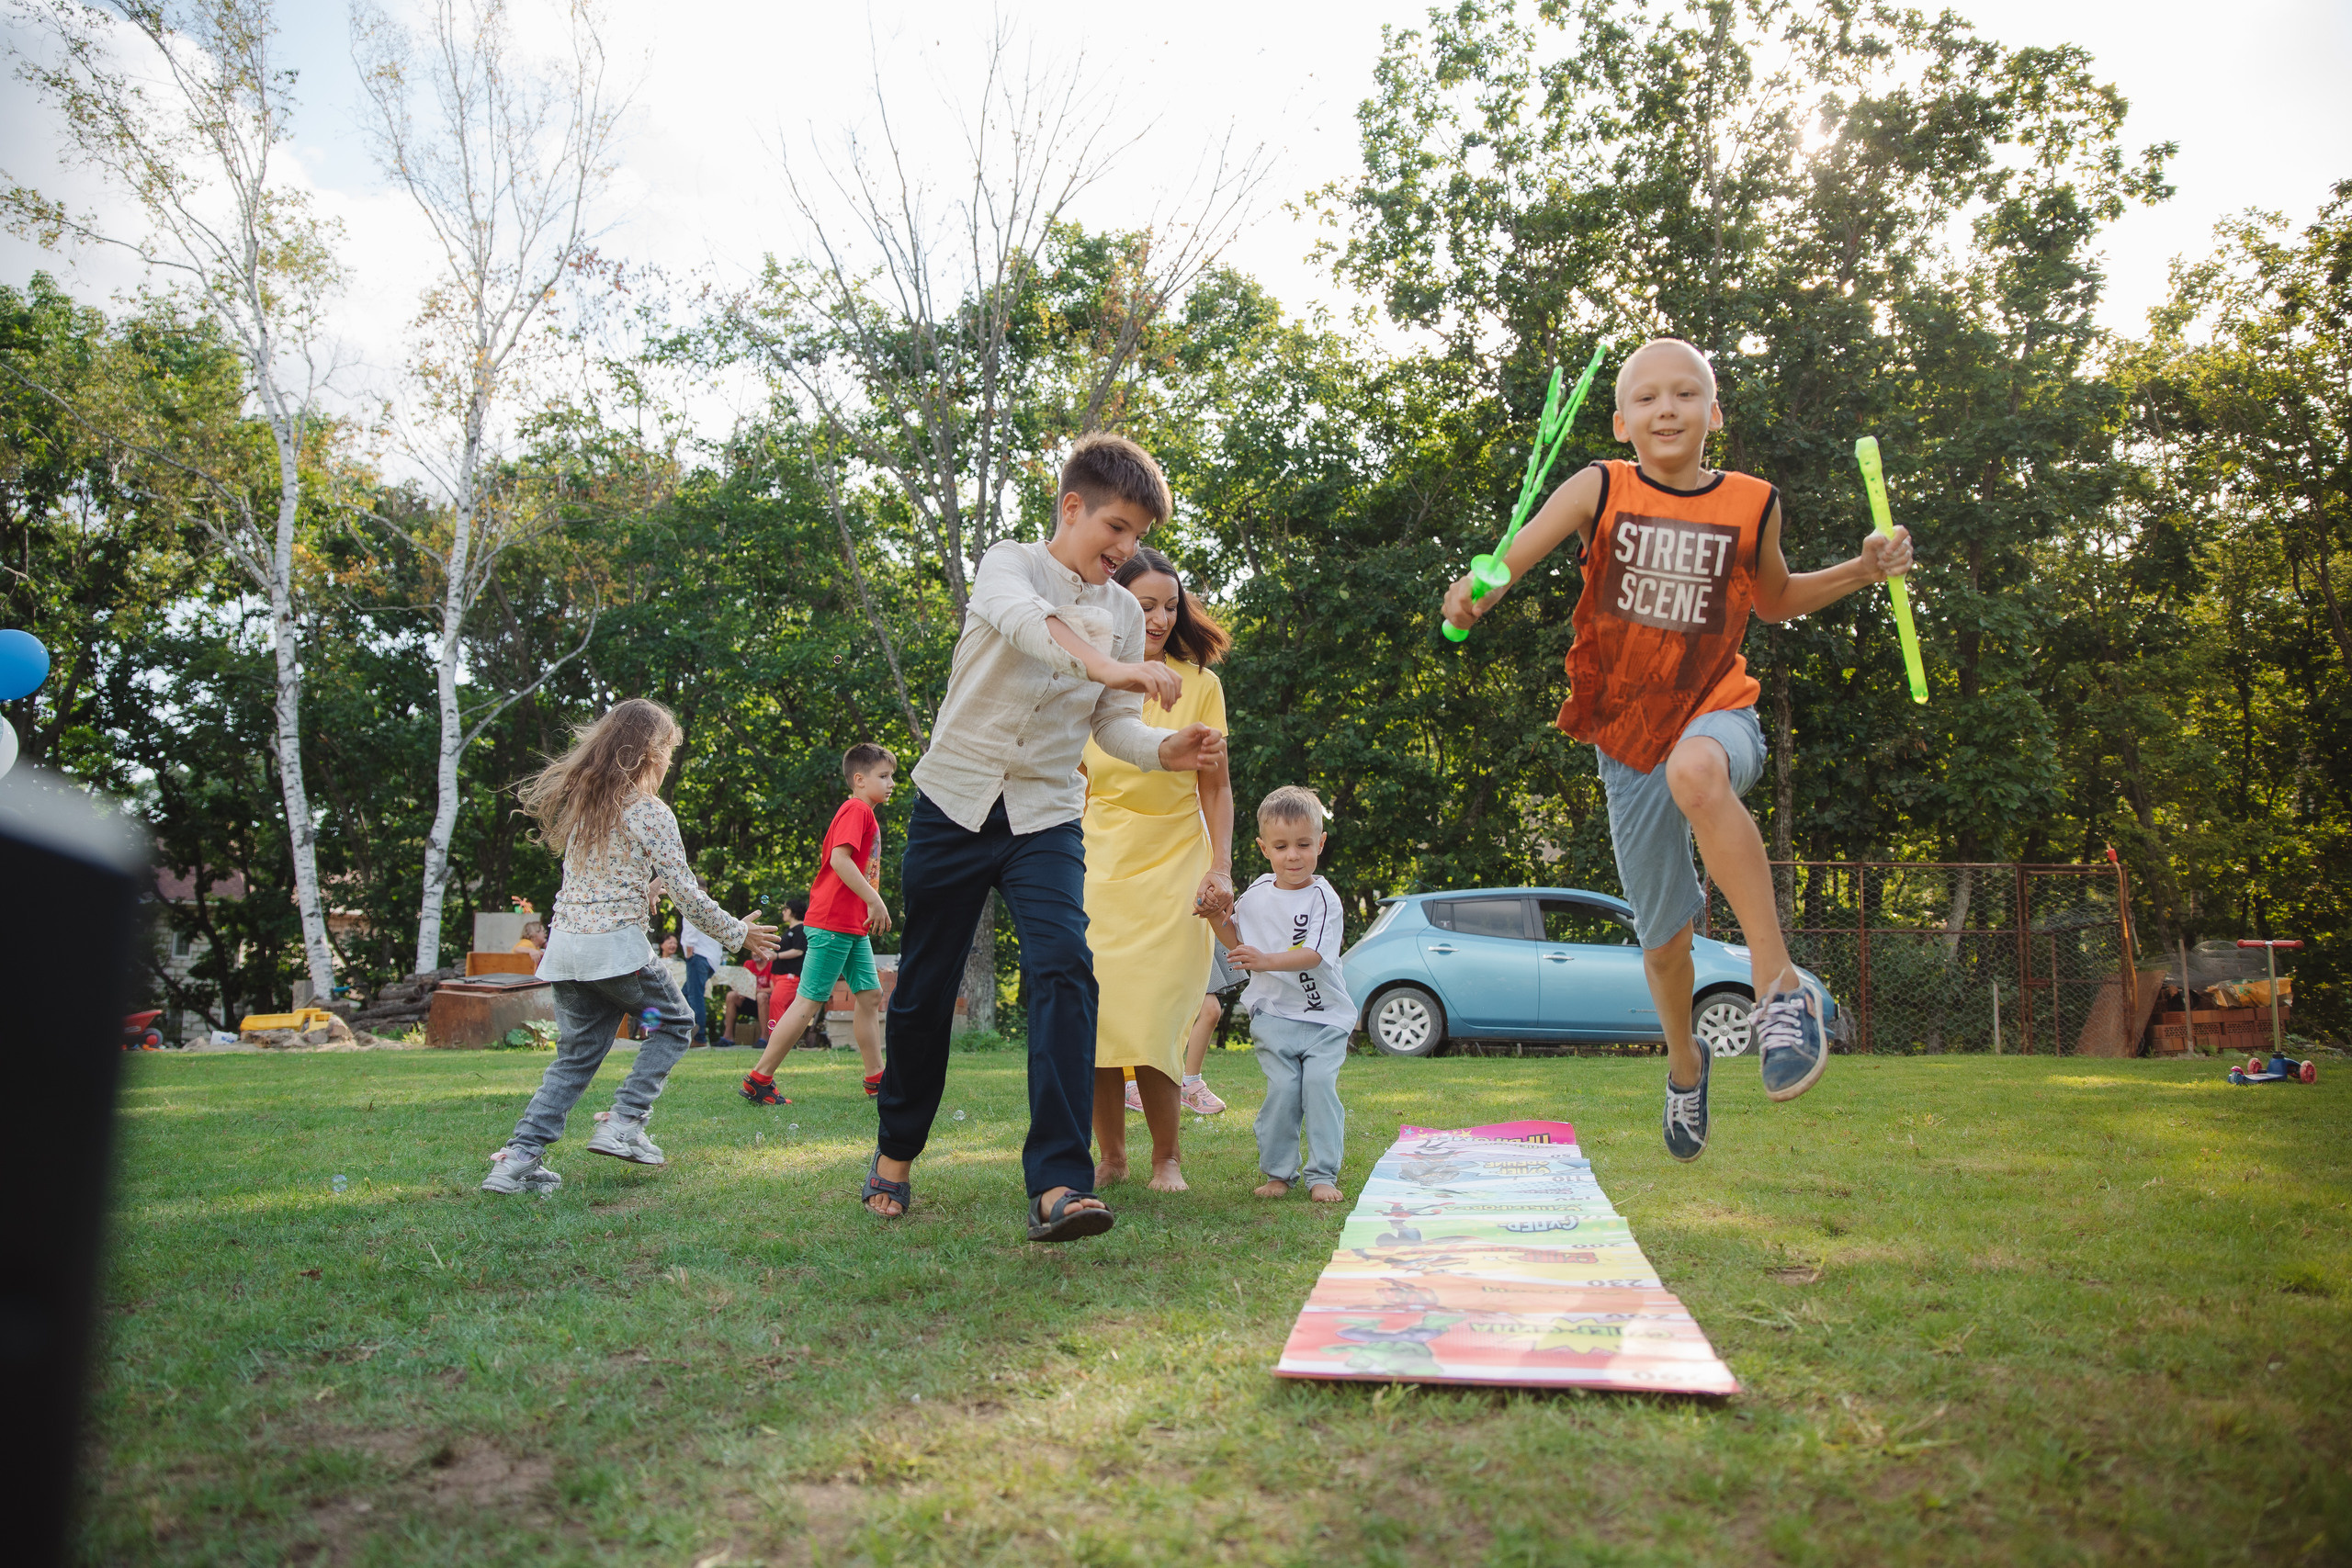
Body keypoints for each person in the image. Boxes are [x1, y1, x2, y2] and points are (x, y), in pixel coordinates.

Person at [1441, 337, 1914, 1163]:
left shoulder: (1753, 502)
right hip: (1625, 741)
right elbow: (1511, 562)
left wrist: (1862, 570)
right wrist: (1478, 589)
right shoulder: (1601, 485)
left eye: (1687, 394)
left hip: (1715, 711)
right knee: (1665, 944)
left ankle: (1779, 985)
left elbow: (1772, 601)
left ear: (1713, 413)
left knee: (1696, 770)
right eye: (1649, 398)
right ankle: (1685, 1064)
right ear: (1623, 421)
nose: (1668, 408)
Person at [867, 433, 1226, 1241]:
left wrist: (1168, 749)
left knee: (1068, 966)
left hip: (1046, 816)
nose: (1127, 549)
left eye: (1138, 535)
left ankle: (1061, 1184)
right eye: (1118, 529)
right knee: (924, 990)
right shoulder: (1010, 566)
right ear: (1073, 508)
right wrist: (1112, 669)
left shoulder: (1126, 614)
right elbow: (1031, 628)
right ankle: (895, 1154)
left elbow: (1116, 729)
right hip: (955, 804)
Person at [482, 699, 776, 1193]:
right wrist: (737, 932)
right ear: (648, 752)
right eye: (667, 750)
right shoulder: (649, 811)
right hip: (615, 952)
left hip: (569, 952)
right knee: (677, 1023)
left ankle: (516, 1160)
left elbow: (594, 880)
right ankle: (624, 1121)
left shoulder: (586, 805)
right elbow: (688, 892)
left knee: (575, 1058)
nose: (668, 762)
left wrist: (644, 889)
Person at [1082, 547, 1234, 1194]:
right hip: (1098, 862)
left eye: (1171, 605)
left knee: (1156, 1012)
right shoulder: (1088, 677)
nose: (1161, 617)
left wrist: (1221, 868)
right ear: (1115, 600)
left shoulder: (1199, 684)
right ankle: (1111, 1156)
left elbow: (1217, 789)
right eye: (1147, 604)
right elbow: (1074, 780)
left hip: (1176, 859)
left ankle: (1166, 1157)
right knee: (1097, 1016)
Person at [1201, 786, 1353, 1203]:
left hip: (1325, 1019)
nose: (1293, 856)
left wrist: (1264, 961)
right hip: (1273, 1017)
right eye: (1282, 846)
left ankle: (1322, 1175)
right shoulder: (1256, 894)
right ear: (1263, 848)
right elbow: (1235, 940)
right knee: (1284, 1092)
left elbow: (1313, 955)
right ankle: (1278, 1174)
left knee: (1319, 1087)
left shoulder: (1324, 897)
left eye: (1304, 845)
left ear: (1320, 843)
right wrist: (1216, 916)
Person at [741, 747, 896, 1104]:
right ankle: (758, 1079)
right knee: (808, 1002)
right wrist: (874, 899)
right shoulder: (856, 809)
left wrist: (867, 905)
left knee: (870, 996)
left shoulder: (865, 814)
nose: (891, 784)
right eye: (883, 776)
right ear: (859, 780)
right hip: (832, 924)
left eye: (892, 777)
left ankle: (877, 1079)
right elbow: (839, 860)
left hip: (850, 925)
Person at [681, 917, 728, 1046]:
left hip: (698, 955)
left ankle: (699, 1037)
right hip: (711, 958)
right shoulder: (707, 906)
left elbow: (691, 928)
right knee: (683, 995)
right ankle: (683, 1034)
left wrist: (689, 954)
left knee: (694, 996)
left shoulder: (689, 900)